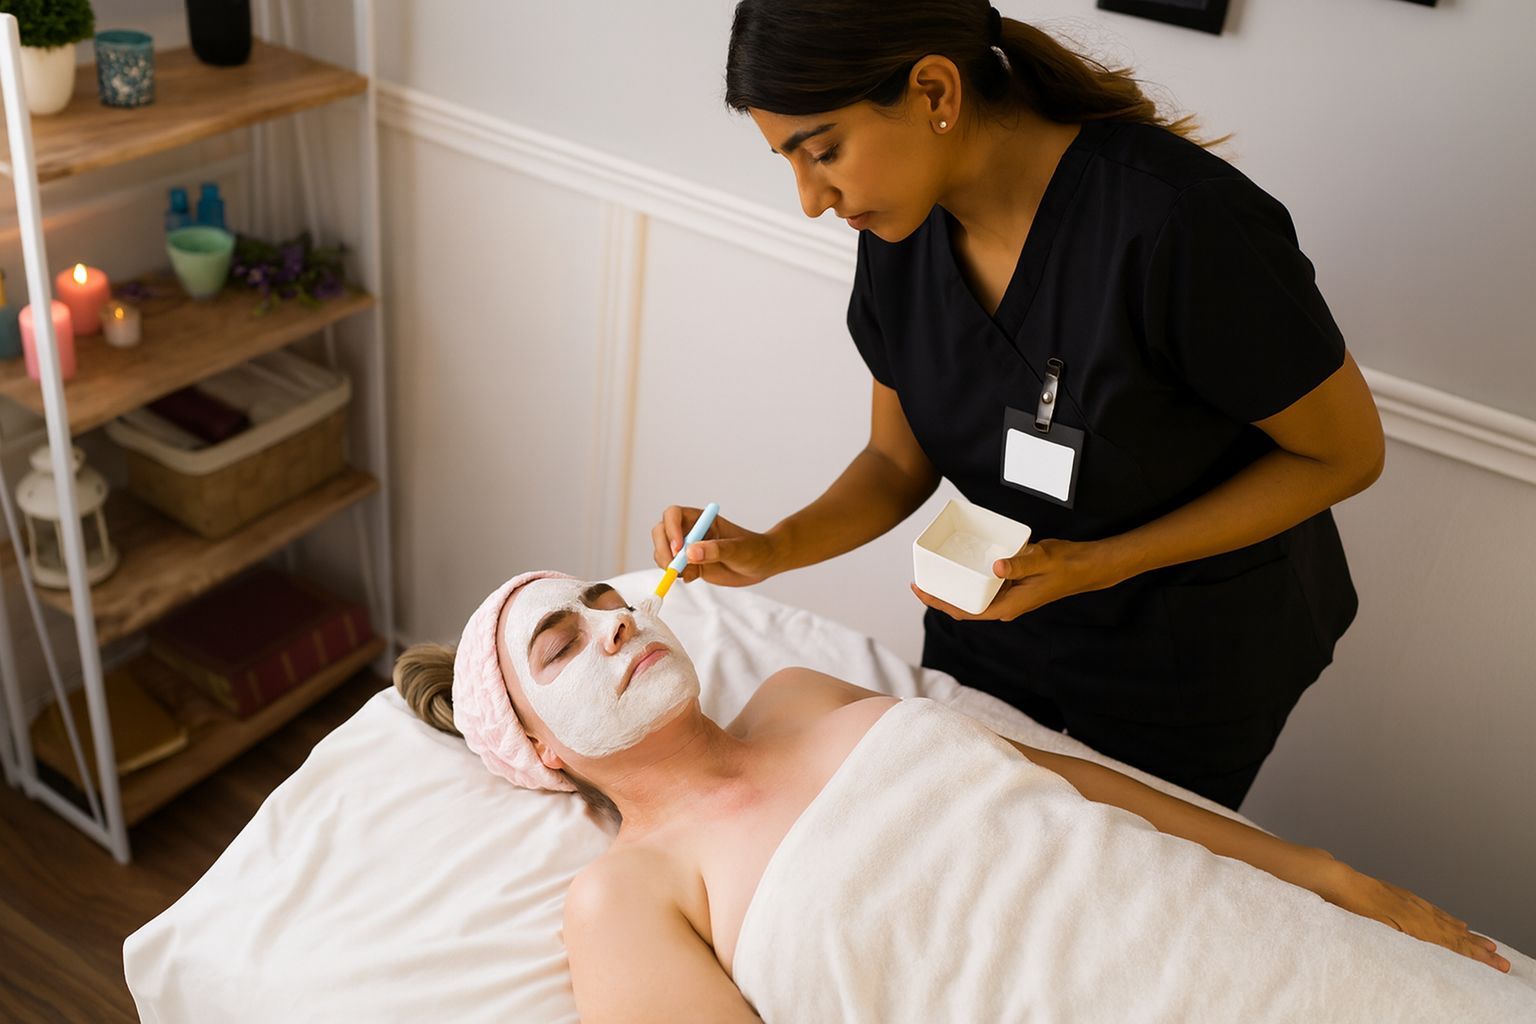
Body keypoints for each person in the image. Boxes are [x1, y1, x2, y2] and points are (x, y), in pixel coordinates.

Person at [652, 0, 1386, 811]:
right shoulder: (900, 229)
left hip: (1189, 657)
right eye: (788, 162)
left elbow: (1344, 454)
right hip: (996, 614)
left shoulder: (1180, 225)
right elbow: (896, 461)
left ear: (935, 91)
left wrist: (1099, 562)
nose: (810, 199)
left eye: (822, 151)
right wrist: (774, 548)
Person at [394, 571, 1523, 1024]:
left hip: (1270, 944)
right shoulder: (628, 897)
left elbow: (1070, 784)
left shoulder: (799, 694)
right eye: (564, 640)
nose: (616, 621)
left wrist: (1332, 877)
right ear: (538, 750)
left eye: (605, 599)